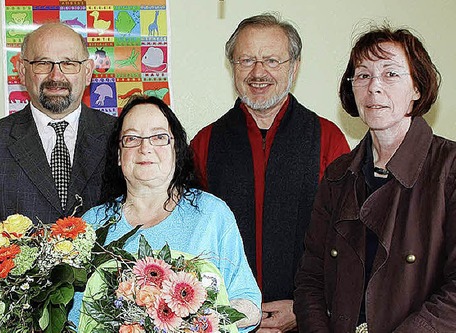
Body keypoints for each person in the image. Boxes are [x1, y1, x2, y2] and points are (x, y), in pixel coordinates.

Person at [190, 13, 350, 332]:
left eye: (272, 60)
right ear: (232, 65)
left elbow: (344, 242)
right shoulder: (204, 143)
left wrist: (303, 307)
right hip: (226, 322)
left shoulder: (328, 139)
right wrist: (230, 311)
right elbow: (194, 244)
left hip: (307, 319)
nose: (258, 72)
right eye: (246, 59)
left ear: (294, 66)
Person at [294, 26, 456, 332]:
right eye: (363, 75)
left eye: (391, 74)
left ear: (418, 88)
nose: (374, 87)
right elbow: (310, 277)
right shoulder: (338, 174)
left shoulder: (449, 168)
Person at [70, 95, 262, 331]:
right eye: (131, 138)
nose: (145, 147)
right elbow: (75, 318)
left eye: (159, 137)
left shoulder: (211, 214)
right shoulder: (92, 224)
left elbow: (250, 304)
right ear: (119, 156)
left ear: (176, 149)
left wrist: (200, 317)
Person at [0, 22, 115, 271]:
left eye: (68, 63)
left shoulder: (122, 138)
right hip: (18, 307)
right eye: (43, 63)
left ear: (88, 71)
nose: (56, 76)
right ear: (21, 70)